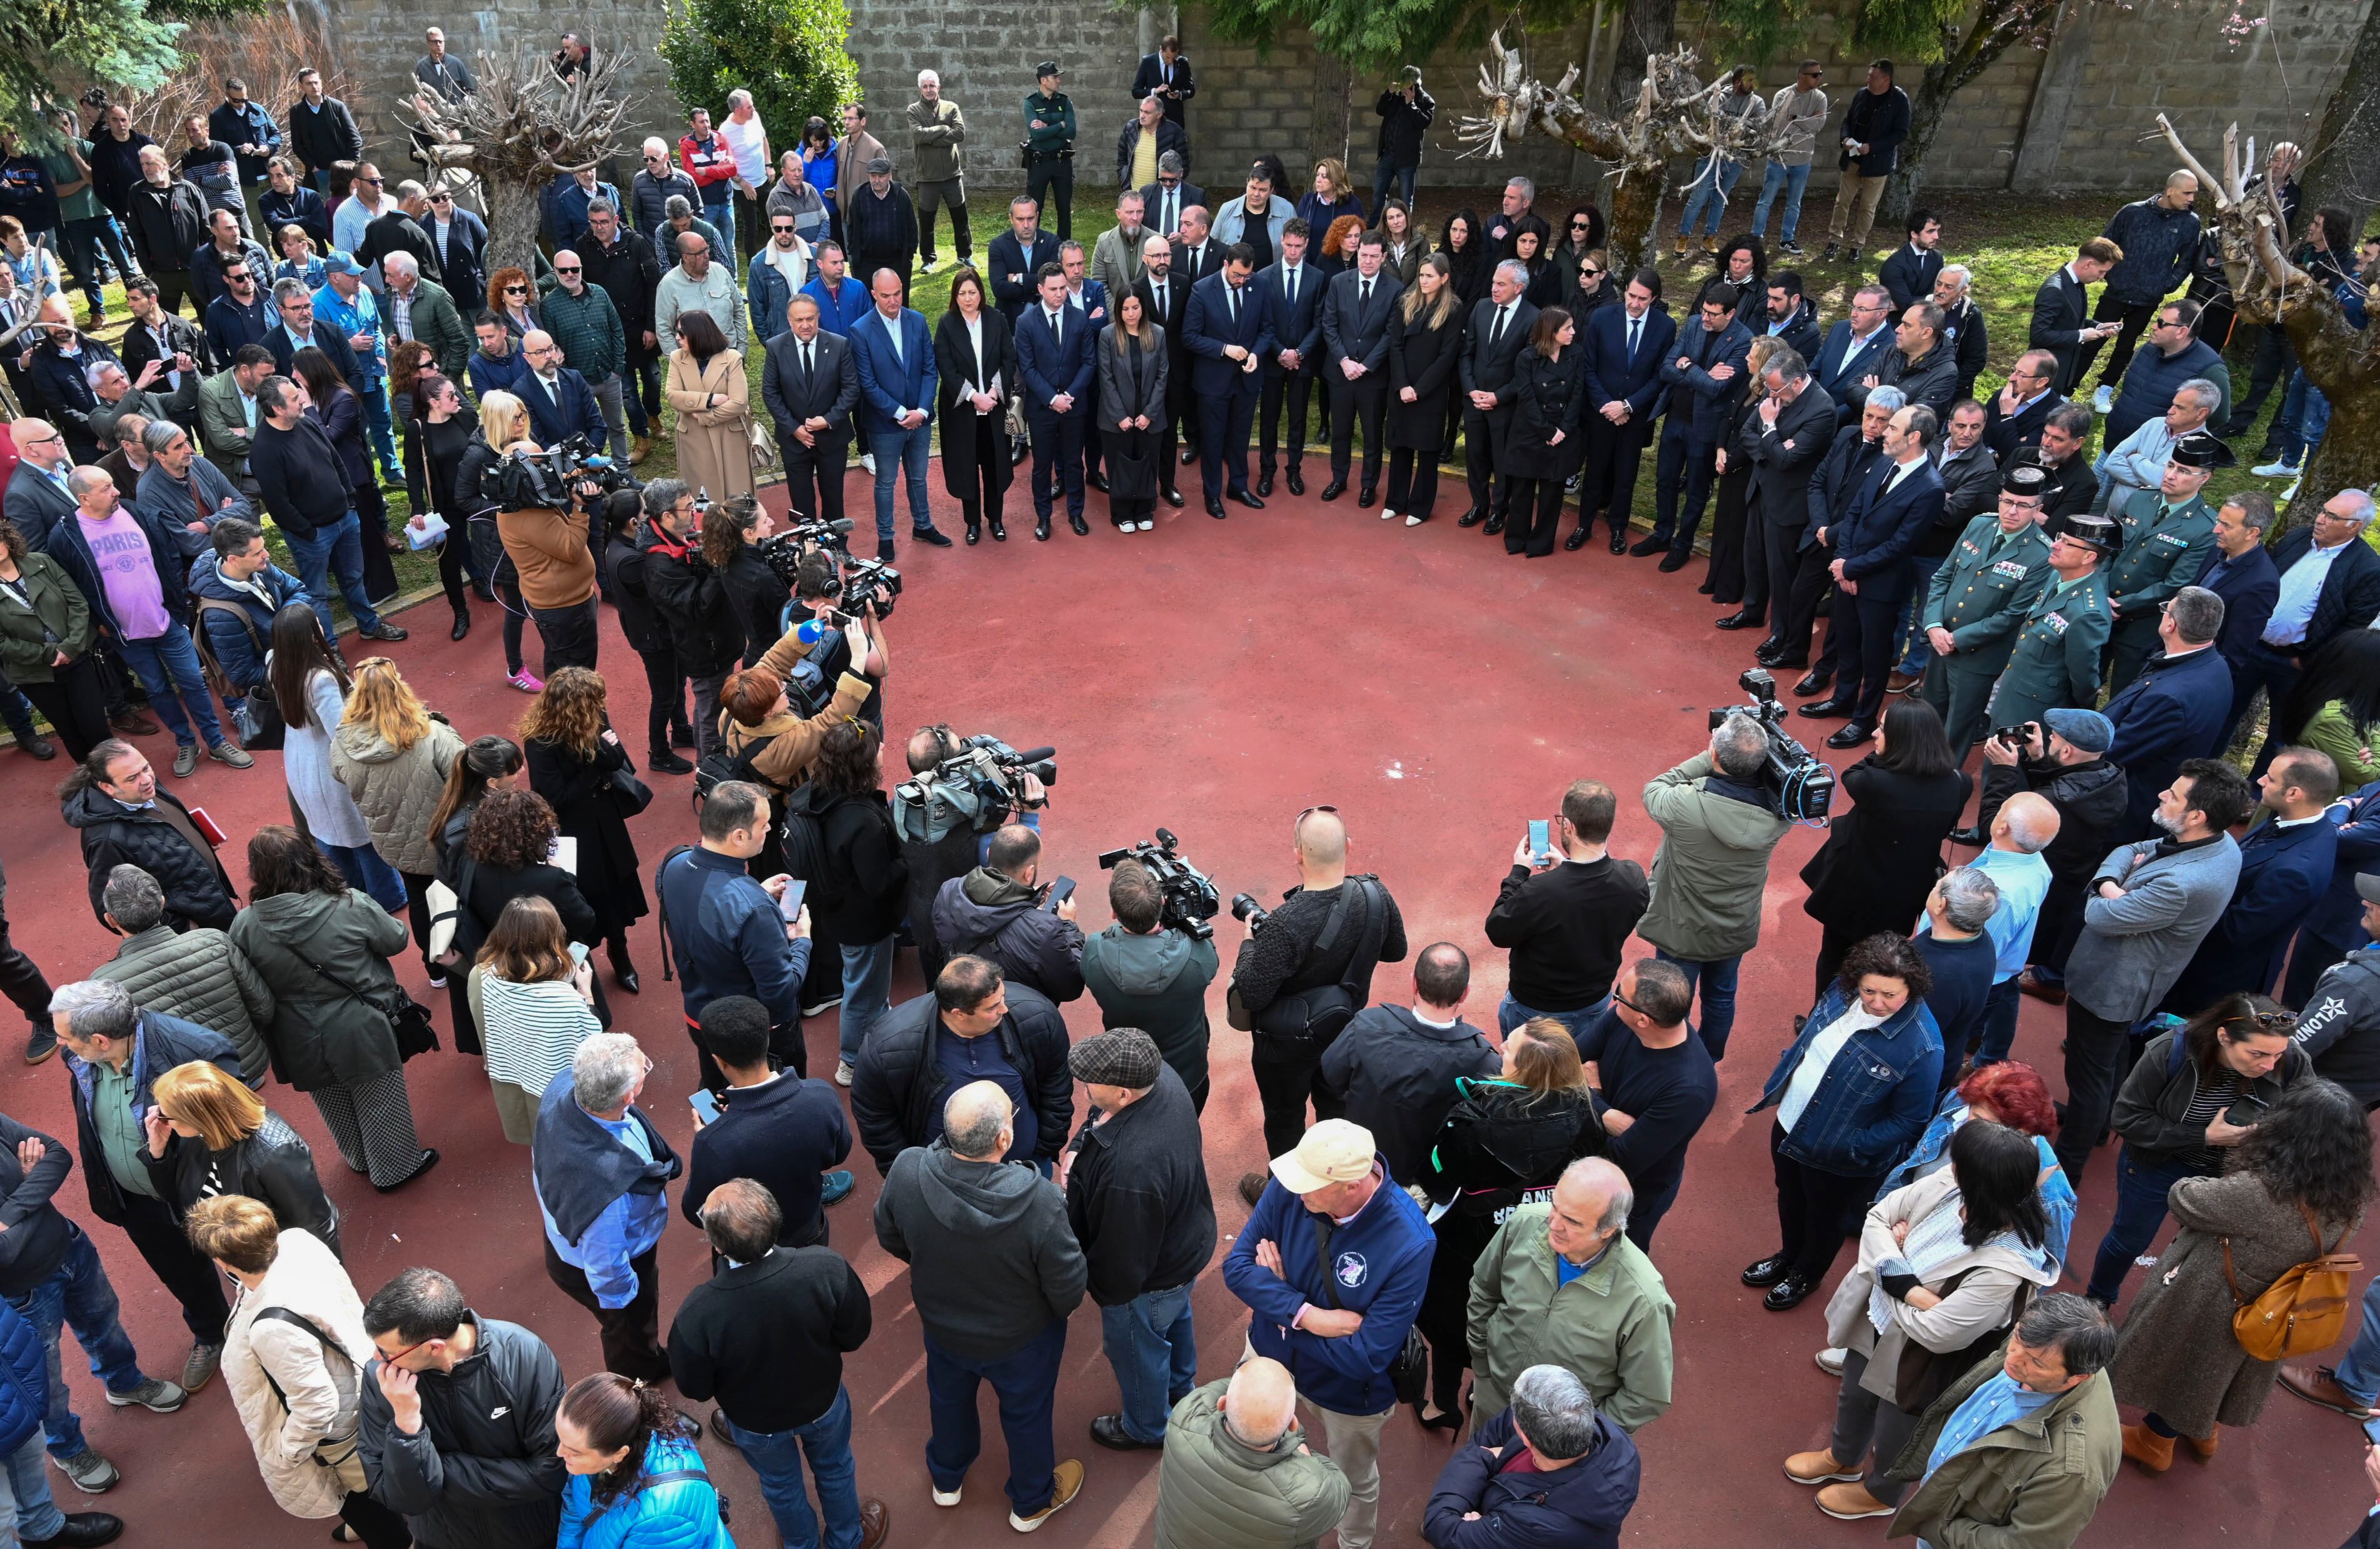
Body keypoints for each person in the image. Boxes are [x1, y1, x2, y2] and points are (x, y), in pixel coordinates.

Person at [1789, 1119, 2060, 1521]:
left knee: (1899, 1429)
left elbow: (1938, 1334)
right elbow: (1878, 1217)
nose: (1950, 1166)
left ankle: (1881, 1495)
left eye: (1959, 1163)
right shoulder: (1950, 1185)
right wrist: (1909, 1288)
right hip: (1879, 1320)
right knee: (1854, 1395)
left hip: (1922, 1358)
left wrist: (1890, 1271)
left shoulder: (2004, 1270)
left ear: (1980, 1183)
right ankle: (1844, 1459)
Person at [2110, 1078, 2374, 1470]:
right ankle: (2204, 1431)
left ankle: (2155, 1441)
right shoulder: (2351, 1198)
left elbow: (2185, 1198)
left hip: (2217, 1295)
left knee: (2188, 1367)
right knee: (2226, 1374)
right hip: (2276, 1305)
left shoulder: (2263, 1192)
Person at [874, 1079, 1087, 1530]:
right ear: (1004, 1138)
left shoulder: (908, 1169)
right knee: (1027, 1415)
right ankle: (1031, 1502)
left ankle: (947, 1478)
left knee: (948, 1400)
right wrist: (1062, 1308)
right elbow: (1067, 1280)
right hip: (1022, 1338)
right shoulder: (1041, 1200)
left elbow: (890, 1234)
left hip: (943, 1326)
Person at [1224, 1119, 1431, 1549]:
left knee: (1352, 1482)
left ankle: (1354, 1543)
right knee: (1250, 1454)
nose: (1294, 1190)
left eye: (1310, 1186)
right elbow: (1238, 1267)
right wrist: (1306, 1316)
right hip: (1269, 1356)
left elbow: (1367, 1357)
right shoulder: (1295, 1183)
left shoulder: (1410, 1242)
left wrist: (1279, 1306)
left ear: (1352, 1185)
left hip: (1347, 1395)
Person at [2055, 758, 2254, 1183]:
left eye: (2174, 795)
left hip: (2112, 985)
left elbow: (2099, 915)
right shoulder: (2220, 843)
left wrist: (2104, 889)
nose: (2163, 794)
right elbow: (2129, 849)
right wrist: (2115, 885)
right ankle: (2100, 1125)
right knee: (2110, 1058)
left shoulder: (2180, 883)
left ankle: (2066, 1166)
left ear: (2197, 816)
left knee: (2087, 1075)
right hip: (2138, 982)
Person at [667, 1178, 886, 1549]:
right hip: (822, 1402)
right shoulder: (826, 1267)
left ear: (718, 1245)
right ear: (774, 1220)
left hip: (756, 1422)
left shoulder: (697, 1313)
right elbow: (854, 1334)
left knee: (781, 1486)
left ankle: (801, 1544)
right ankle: (847, 1538)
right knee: (835, 1468)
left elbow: (695, 1387)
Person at [46, 977, 236, 1394]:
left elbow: (236, 1125)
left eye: (66, 1036)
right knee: (180, 1271)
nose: (59, 1044)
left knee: (244, 1260)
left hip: (203, 1192)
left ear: (100, 1040)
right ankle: (211, 1332)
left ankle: (267, 1330)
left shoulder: (195, 1051)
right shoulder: (79, 1056)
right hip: (136, 1200)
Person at [184, 1196, 401, 1549]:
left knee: (360, 1498)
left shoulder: (272, 1328)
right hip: (361, 1382)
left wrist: (289, 1451)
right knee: (374, 1479)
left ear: (223, 1261)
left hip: (338, 1434)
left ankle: (393, 1537)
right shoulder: (298, 1241)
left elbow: (317, 1406)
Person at [1416, 1021, 1605, 1426]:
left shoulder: (1469, 1124)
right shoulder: (1588, 1116)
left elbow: (1436, 1181)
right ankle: (1483, 1391)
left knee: (1453, 1327)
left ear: (1527, 1070)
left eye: (1510, 1048)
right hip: (1543, 1254)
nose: (1500, 1045)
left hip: (1468, 1249)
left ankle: (1442, 1405)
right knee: (1518, 1329)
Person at [231, 825, 435, 1194]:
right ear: (310, 859)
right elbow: (396, 940)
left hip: (293, 1030)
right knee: (379, 1093)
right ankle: (394, 1168)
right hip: (358, 1020)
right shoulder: (349, 903)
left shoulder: (245, 924)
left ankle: (358, 1156)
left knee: (330, 1096)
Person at [1747, 932, 1944, 1311]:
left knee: (1825, 1218)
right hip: (1790, 1123)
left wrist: (1851, 1146)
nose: (1876, 1002)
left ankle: (1806, 1274)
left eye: (1890, 995)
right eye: (1869, 990)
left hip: (1838, 1155)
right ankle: (1789, 1256)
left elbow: (1910, 1120)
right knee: (1790, 1196)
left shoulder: (1923, 1046)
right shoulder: (1842, 991)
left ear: (1912, 988)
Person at [0, 1096, 181, 1500]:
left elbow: (58, 1155)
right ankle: (68, 1449)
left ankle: (125, 1381)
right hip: (23, 1293)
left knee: (104, 1323)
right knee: (45, 1381)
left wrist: (11, 1212)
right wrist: (32, 1185)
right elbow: (4, 1253)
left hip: (70, 1248)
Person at [2088, 995, 2304, 1307]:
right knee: (2129, 1241)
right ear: (2224, 1037)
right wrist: (2204, 1136)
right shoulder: (2170, 1051)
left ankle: (2167, 1310)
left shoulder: (2290, 1058)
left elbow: (2305, 1113)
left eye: (2277, 1054)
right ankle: (2097, 1300)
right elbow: (2126, 1118)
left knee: (2203, 1250)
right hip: (2158, 1165)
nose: (2270, 1065)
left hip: (2228, 1173)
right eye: (2257, 1054)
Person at [1056, 1029, 1214, 1452]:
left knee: (1137, 1349)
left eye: (1090, 1083)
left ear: (1123, 1094)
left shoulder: (1130, 1170)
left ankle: (1147, 1427)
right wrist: (1080, 1147)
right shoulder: (1162, 1077)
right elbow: (1098, 1116)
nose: (1084, 1089)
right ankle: (1182, 1389)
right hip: (1184, 1245)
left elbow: (1121, 1261)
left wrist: (1106, 1295)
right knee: (1174, 1320)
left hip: (1148, 1280)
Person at [1226, 806, 1409, 1167]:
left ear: (1298, 854)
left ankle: (1289, 1192)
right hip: (1344, 1030)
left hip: (1286, 1044)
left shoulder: (1284, 923)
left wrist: (1249, 944)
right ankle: (1333, 1177)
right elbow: (1396, 951)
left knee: (1285, 1116)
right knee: (1336, 1109)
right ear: (1348, 846)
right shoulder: (1376, 894)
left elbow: (1251, 994)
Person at [47, 468, 246, 779]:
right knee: (157, 690)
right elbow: (69, 587)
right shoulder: (66, 535)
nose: (116, 492)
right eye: (106, 488)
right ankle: (186, 743)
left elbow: (169, 556)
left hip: (167, 622)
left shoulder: (137, 514)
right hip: (126, 634)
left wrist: (176, 604)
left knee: (194, 682)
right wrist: (98, 624)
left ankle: (217, 741)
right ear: (84, 498)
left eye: (113, 484)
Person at [356, 1266, 567, 1549]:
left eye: (388, 1352)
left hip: (530, 1536)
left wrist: (434, 1470)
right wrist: (406, 1424)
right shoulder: (381, 1380)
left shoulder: (525, 1355)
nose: (376, 1358)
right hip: (441, 1540)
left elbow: (550, 1471)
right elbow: (401, 1498)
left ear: (435, 1347)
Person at [1466, 1156, 1674, 1435]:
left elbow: (1646, 1395)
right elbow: (1484, 1289)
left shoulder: (1644, 1301)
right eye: (1555, 1206)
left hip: (1557, 1434)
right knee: (1480, 1457)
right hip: (1493, 1394)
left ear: (1608, 1230)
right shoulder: (1523, 1222)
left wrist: (1580, 1435)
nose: (1553, 1224)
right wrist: (1482, 1366)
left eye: (1572, 1221)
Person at [1636, 714, 1793, 1060]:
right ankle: (1707, 1061)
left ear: (1715, 753)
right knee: (1721, 997)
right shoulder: (1782, 814)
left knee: (1670, 1000)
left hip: (1681, 927)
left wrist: (1710, 757)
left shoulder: (1685, 804)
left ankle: (1670, 1064)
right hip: (1734, 926)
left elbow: (1655, 788)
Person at [531, 1033, 677, 1385]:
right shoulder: (606, 1186)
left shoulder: (561, 1089)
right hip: (611, 1261)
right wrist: (628, 1305)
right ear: (629, 1096)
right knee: (629, 1334)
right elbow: (608, 1265)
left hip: (566, 1237)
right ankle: (637, 1383)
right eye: (645, 1069)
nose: (647, 1069)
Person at [1800, 699, 1971, 988]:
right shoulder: (1960, 783)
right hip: (1906, 893)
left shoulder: (1874, 782)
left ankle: (1824, 1013)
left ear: (1901, 741)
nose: (1874, 734)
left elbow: (1852, 773)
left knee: (1835, 959)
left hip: (1855, 891)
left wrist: (1885, 755)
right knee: (1882, 964)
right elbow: (1944, 829)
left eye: (1882, 729)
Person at [652, 782, 812, 1086]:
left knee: (716, 1089)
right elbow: (780, 991)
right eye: (764, 825)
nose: (769, 829)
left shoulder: (673, 862)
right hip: (758, 1033)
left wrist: (753, 894)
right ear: (739, 836)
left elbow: (702, 910)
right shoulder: (754, 910)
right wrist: (803, 941)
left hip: (700, 1018)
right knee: (777, 1101)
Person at [850, 955, 1071, 1173]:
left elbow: (1056, 1083)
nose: (1005, 1009)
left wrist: (1044, 1148)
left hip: (1028, 1168)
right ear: (960, 1014)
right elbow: (876, 1117)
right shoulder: (888, 1046)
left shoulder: (1038, 1016)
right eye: (992, 1008)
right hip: (943, 1180)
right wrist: (911, 1173)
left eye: (1003, 996)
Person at [331, 656, 463, 978]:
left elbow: (338, 774)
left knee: (419, 900)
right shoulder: (434, 733)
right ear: (400, 687)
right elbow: (464, 776)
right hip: (445, 840)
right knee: (458, 896)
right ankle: (463, 958)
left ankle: (434, 968)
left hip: (394, 842)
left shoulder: (342, 744)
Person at [1483, 779, 1646, 1039]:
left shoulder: (1540, 891)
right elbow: (1592, 896)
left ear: (1569, 827)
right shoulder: (1633, 878)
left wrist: (1519, 873)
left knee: (1523, 1066)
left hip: (1535, 1009)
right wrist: (1567, 867)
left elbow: (1497, 930)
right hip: (1595, 1002)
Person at [521, 667, 651, 993]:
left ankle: (620, 954)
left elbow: (617, 759)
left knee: (617, 892)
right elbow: (555, 797)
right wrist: (594, 764)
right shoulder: (541, 742)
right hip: (575, 834)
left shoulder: (594, 718)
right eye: (595, 701)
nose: (601, 707)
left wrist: (598, 756)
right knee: (582, 901)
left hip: (606, 824)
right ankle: (580, 967)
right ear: (574, 707)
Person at [248, 373, 403, 647]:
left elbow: (336, 461)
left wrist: (350, 501)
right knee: (317, 594)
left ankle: (369, 625)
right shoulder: (264, 449)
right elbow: (277, 503)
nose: (302, 400)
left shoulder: (307, 423)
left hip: (346, 518)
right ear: (277, 409)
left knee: (354, 578)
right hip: (313, 536)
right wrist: (308, 532)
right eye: (294, 398)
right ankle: (330, 647)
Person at [2229, 490, 2380, 770]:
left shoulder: (2368, 569)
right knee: (2225, 711)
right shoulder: (2297, 539)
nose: (2320, 519)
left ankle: (2260, 788)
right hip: (2251, 646)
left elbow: (2352, 629)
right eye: (2323, 511)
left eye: (2332, 516)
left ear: (2355, 526)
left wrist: (2307, 660)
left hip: (2296, 664)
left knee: (2283, 733)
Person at [1574, 960, 1716, 1249]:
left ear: (1643, 1020)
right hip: (1591, 1158)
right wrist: (1605, 1112)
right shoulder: (1623, 1016)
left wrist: (1590, 1094)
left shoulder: (1690, 1090)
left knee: (1617, 1256)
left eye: (1619, 993)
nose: (1614, 998)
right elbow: (1569, 1060)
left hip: (1633, 1193)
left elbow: (1621, 1159)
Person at [1917, 464, 2056, 754]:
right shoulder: (1979, 524)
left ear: (2038, 510)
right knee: (1927, 718)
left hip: (1977, 657)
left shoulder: (2041, 554)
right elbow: (1943, 577)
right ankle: (1913, 769)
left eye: (2023, 505)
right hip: (1940, 640)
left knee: (1956, 730)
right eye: (2007, 501)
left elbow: (2013, 615)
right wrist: (1933, 626)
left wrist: (1956, 639)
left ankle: (1944, 780)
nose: (2012, 511)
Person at [1424, 1364, 1641, 1549]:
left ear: (1526, 1439)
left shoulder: (1536, 1524)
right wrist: (1487, 1528)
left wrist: (1481, 1455)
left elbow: (1440, 1526)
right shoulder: (1607, 1438)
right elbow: (1498, 1428)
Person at [89, 864, 271, 1081]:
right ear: (162, 903)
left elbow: (115, 1054)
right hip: (244, 1064)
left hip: (181, 1086)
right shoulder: (214, 941)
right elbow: (263, 1005)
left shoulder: (103, 985)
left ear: (111, 920)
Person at [1152, 1355, 1349, 1549]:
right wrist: (1294, 1440)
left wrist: (1253, 1384)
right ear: (1292, 1424)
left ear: (1222, 1404)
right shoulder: (1308, 1495)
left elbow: (1214, 1391)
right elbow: (1338, 1484)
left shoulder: (1184, 1418)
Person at [140, 1061, 336, 1252]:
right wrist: (157, 1150)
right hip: (241, 1260)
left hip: (272, 1263)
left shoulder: (276, 1153)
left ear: (196, 1117)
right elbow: (169, 1194)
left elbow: (318, 1227)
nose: (158, 1118)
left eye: (164, 1115)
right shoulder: (198, 1135)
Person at [1080, 859, 1219, 1109]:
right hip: (1187, 1076)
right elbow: (1209, 954)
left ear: (1114, 913)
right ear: (1163, 901)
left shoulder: (1093, 953)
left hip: (1128, 1078)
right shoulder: (1197, 957)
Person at [59, 737, 236, 933]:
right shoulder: (106, 841)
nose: (147, 779)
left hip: (212, 903)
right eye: (132, 778)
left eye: (146, 768)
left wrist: (194, 846)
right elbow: (110, 910)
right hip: (198, 931)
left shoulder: (143, 788)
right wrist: (181, 927)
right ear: (107, 787)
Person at [470, 897, 602, 1146]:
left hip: (515, 1074)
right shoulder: (565, 1000)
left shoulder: (480, 974)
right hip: (558, 1092)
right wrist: (586, 993)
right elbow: (594, 1044)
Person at [1979, 516, 2118, 734]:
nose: (2055, 545)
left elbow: (2083, 679)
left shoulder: (2088, 613)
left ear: (2089, 557)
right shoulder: (2057, 577)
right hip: (2011, 696)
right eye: (2060, 537)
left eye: (2067, 543)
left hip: (2035, 712)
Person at [2077, 171, 2203, 402]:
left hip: (2148, 299)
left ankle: (2105, 390)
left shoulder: (2191, 223)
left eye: (2194, 193)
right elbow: (2106, 244)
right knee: (2094, 339)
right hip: (2116, 293)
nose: (2192, 198)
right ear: (2170, 191)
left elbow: (2186, 261)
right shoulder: (2132, 212)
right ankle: (2067, 389)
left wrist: (2166, 285)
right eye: (2187, 193)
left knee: (2126, 346)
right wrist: (2112, 276)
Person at [850, 266, 946, 557]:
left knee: (918, 478)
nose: (893, 301)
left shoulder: (917, 320)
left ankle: (923, 526)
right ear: (874, 294)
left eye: (898, 293)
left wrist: (922, 411)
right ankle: (886, 538)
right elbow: (867, 384)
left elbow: (930, 370)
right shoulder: (860, 330)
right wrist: (902, 413)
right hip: (885, 424)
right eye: (886, 296)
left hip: (920, 421)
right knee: (886, 482)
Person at [931, 822, 1082, 1004]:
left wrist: (1032, 897)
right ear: (1029, 873)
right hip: (1014, 1009)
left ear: (989, 854)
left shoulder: (950, 888)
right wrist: (1068, 925)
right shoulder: (1045, 929)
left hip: (962, 991)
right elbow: (1072, 988)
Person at [0, 517, 108, 762]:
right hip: (35, 675)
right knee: (71, 734)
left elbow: (78, 603)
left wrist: (71, 646)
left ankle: (121, 776)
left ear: (6, 537)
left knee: (97, 728)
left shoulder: (42, 562)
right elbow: (2, 644)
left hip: (77, 660)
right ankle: (90, 781)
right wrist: (51, 653)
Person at [1181, 242, 1273, 518]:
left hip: (1247, 380)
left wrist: (1256, 353)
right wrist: (1224, 349)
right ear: (1226, 265)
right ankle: (1212, 494)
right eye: (1237, 275)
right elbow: (1190, 337)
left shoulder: (1260, 285)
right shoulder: (1202, 290)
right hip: (1213, 382)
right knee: (1212, 440)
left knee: (1240, 437)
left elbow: (1267, 329)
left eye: (1247, 275)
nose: (1242, 280)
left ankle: (1238, 486)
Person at [1015, 259, 1096, 538]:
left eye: (1063, 288)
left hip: (1074, 406)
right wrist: (1052, 399)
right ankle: (1044, 517)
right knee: (1042, 466)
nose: (1060, 293)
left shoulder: (1080, 318)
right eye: (1053, 289)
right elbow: (1027, 369)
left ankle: (1076, 513)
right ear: (1041, 289)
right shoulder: (1025, 323)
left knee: (1074, 462)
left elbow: (1089, 362)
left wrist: (1069, 396)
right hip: (1042, 409)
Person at [1380, 251, 1462, 527]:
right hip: (1401, 387)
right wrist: (1403, 385)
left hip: (1431, 393)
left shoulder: (1453, 310)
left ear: (1444, 278)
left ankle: (1420, 506)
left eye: (1430, 276)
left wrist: (1419, 389)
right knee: (1400, 446)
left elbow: (1447, 357)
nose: (1423, 281)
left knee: (1427, 451)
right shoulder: (1406, 302)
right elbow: (1395, 345)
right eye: (1421, 275)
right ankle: (1395, 501)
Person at [769, 292, 864, 526]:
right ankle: (807, 543)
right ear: (789, 320)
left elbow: (851, 389)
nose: (805, 325)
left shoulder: (839, 345)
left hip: (832, 439)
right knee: (801, 503)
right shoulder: (775, 348)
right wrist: (794, 429)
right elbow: (771, 393)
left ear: (818, 317)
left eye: (810, 318)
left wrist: (828, 420)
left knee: (834, 500)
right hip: (794, 442)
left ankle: (836, 543)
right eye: (799, 320)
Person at [1499, 306, 1586, 557]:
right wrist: (1548, 432)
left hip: (1562, 432)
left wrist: (1563, 430)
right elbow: (1526, 399)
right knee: (1522, 489)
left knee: (1552, 493)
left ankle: (1541, 543)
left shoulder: (1576, 354)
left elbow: (1578, 394)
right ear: (1551, 331)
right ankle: (1516, 539)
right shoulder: (1526, 358)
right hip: (1531, 431)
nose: (1573, 332)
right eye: (1567, 328)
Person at [1249, 217, 1321, 499]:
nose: (1292, 251)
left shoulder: (1317, 278)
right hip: (1272, 361)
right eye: (1289, 245)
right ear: (1281, 241)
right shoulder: (1264, 276)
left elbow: (1319, 323)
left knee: (1298, 419)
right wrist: (1280, 352)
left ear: (1306, 245)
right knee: (1269, 419)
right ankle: (1267, 471)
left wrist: (1299, 353)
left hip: (1302, 363)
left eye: (1298, 246)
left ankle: (1294, 470)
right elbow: (1260, 321)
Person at [1820, 61, 1911, 264]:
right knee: (1842, 201)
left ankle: (1857, 245)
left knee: (1867, 207)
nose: (1868, 79)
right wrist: (1845, 138)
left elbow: (1901, 133)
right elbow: (1847, 121)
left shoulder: (1899, 100)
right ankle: (1834, 241)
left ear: (1886, 79)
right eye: (1868, 75)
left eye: (1873, 77)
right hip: (1853, 158)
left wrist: (1873, 146)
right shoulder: (1862, 94)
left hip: (1878, 163)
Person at [1097, 288, 1169, 533]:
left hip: (1149, 415)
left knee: (1147, 463)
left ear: (1143, 308)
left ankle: (1144, 510)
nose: (1131, 314)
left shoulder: (1157, 334)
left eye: (1135, 308)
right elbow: (1106, 378)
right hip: (1117, 417)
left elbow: (1162, 375)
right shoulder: (1108, 335)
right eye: (1125, 309)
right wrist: (1119, 416)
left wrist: (1149, 414)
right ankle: (1122, 513)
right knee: (1120, 466)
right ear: (1118, 310)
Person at [2030, 236, 2124, 396]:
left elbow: (2069, 319)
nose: (2102, 277)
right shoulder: (2054, 290)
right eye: (2102, 271)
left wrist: (2097, 326)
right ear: (2089, 264)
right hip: (2045, 372)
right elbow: (2039, 335)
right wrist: (2081, 336)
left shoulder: (2077, 283)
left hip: (2061, 369)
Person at [844, 157, 918, 303]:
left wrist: (909, 254)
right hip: (867, 262)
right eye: (873, 176)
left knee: (898, 303)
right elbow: (852, 227)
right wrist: (855, 254)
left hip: (897, 261)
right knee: (869, 303)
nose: (876, 180)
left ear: (889, 175)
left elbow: (911, 227)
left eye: (881, 176)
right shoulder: (860, 195)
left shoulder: (900, 195)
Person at [1370, 69, 1434, 214]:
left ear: (1415, 84)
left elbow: (1423, 123)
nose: (1403, 86)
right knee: (1378, 193)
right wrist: (1389, 93)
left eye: (1407, 83)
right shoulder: (1396, 96)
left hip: (1407, 159)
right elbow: (1380, 110)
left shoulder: (1426, 101)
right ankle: (1375, 224)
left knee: (1406, 198)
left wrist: (1411, 104)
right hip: (1387, 155)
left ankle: (1406, 226)